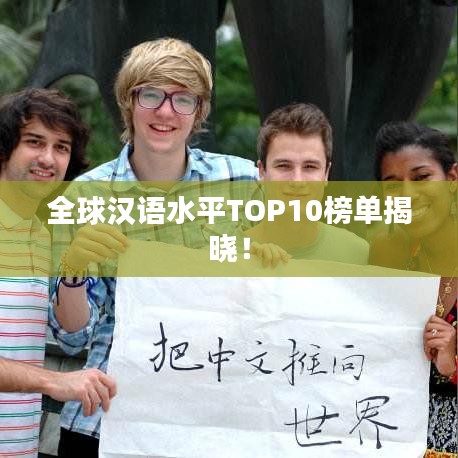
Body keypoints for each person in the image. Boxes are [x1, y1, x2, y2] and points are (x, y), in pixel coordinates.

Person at [49, 37, 258, 456]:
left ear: (199, 110)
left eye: (183, 99)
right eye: (151, 95)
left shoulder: (243, 181)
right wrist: (74, 268)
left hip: (214, 426)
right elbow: (71, 340)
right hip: (106, 423)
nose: (165, 112)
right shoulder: (85, 194)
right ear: (129, 102)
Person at [0, 88, 117, 458]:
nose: (48, 158)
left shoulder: (39, 234)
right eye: (34, 142)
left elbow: (73, 335)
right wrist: (55, 381)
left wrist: (74, 269)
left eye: (62, 147)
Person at [370, 121, 457, 458]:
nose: (407, 196)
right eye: (393, 185)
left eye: (421, 178)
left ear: (452, 179)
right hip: (392, 438)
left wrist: (452, 364)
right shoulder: (385, 253)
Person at [238, 102, 368, 266]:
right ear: (262, 171)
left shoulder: (358, 254)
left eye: (310, 167)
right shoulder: (233, 254)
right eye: (284, 166)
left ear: (326, 173)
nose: (297, 180)